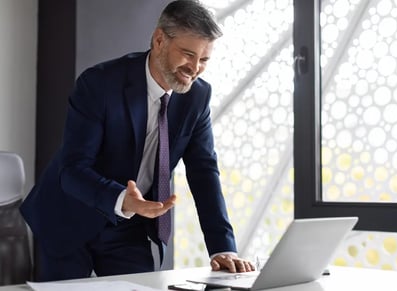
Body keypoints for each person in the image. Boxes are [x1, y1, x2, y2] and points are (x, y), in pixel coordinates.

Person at [20, 0, 254, 281]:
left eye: (204, 60)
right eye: (187, 54)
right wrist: (122, 199)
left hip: (127, 225)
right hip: (68, 216)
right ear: (159, 41)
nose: (194, 68)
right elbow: (72, 171)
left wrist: (222, 249)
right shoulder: (99, 84)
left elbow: (204, 172)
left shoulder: (197, 97)